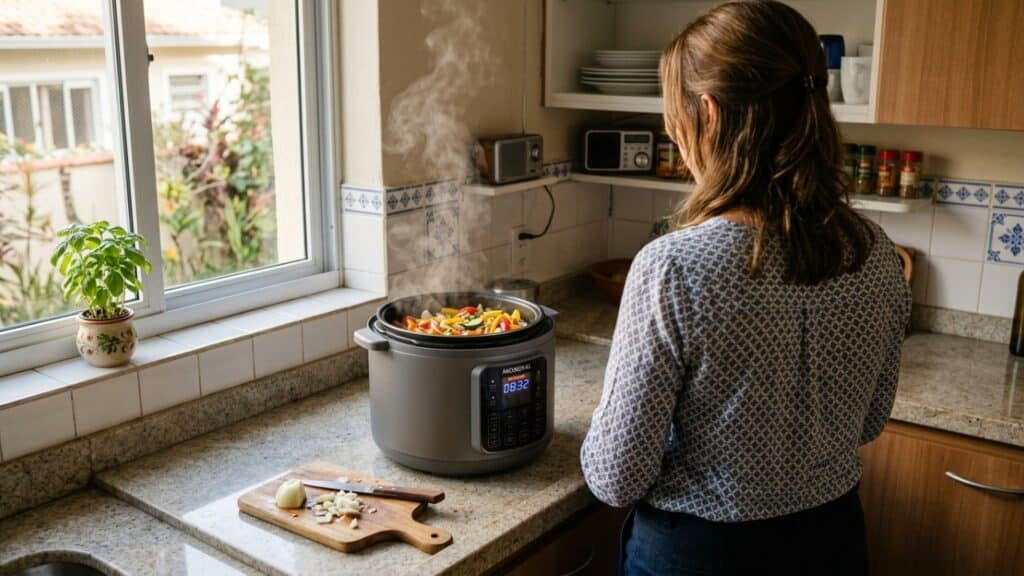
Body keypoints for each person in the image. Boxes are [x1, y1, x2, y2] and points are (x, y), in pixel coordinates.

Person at [579, 1, 913, 574]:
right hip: (831, 544)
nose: (671, 131)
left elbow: (615, 476)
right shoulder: (877, 253)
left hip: (701, 557)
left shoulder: (675, 266)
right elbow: (869, 421)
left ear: (707, 112)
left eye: (674, 114)